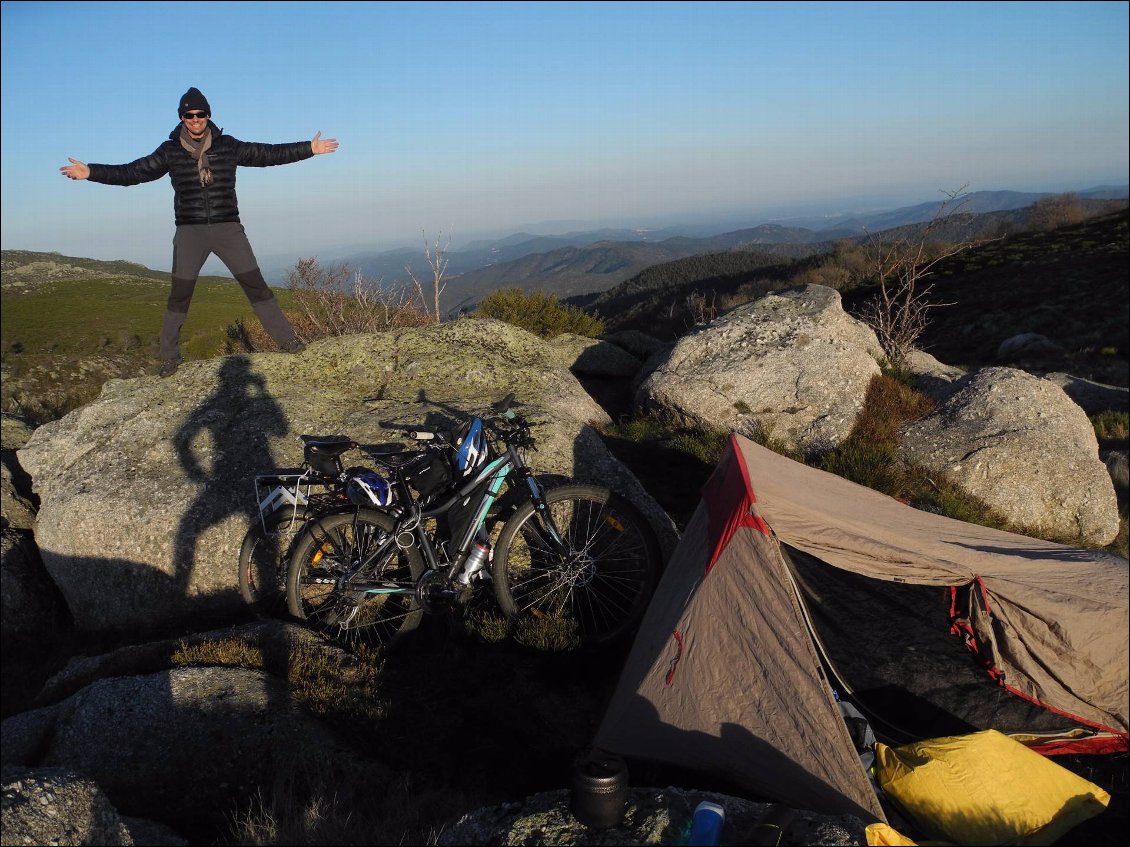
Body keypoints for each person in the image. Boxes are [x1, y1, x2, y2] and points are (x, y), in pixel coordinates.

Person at [60, 87, 339, 377]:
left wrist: (308, 148)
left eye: (200, 114)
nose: (195, 119)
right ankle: (169, 357)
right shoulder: (169, 151)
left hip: (228, 228)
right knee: (180, 295)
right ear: (181, 118)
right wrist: (91, 172)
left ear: (209, 115)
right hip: (189, 232)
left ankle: (288, 341)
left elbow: (266, 154)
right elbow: (134, 172)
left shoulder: (228, 146)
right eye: (188, 115)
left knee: (255, 286)